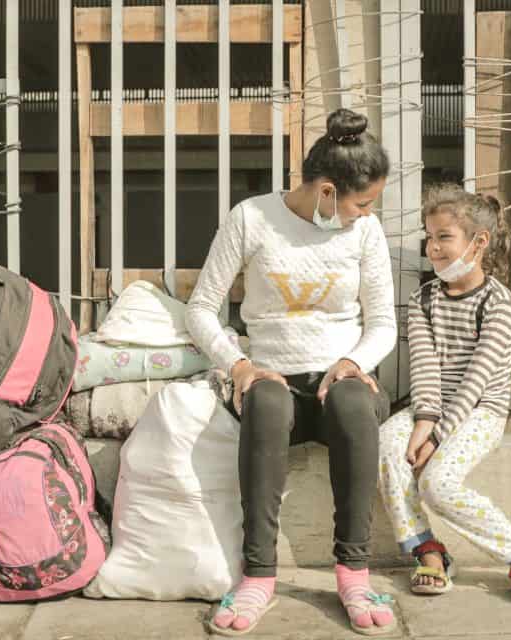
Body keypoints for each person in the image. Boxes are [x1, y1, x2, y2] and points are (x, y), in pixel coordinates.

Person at [186, 108, 398, 636]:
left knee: (352, 401)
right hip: (273, 383)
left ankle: (353, 572)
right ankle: (258, 575)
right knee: (266, 399)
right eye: (361, 203)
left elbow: (384, 323)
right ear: (327, 191)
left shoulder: (365, 235)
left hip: (339, 387)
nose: (366, 215)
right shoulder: (251, 218)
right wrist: (239, 365)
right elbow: (200, 309)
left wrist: (353, 362)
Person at [377, 183, 511, 603]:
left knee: (437, 483)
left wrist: (438, 437)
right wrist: (423, 422)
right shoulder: (423, 299)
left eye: (445, 237)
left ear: (478, 243)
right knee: (388, 444)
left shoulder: (498, 303)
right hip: (432, 407)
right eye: (429, 237)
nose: (434, 248)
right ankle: (427, 550)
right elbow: (424, 367)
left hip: (480, 410)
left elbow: (476, 381)